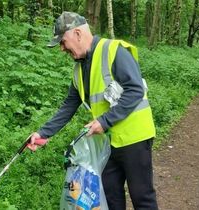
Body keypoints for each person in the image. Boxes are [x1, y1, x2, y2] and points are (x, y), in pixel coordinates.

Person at [29, 11, 158, 210]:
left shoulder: (114, 51)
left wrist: (104, 121)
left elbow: (135, 90)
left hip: (135, 138)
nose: (62, 49)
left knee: (142, 198)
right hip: (107, 144)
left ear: (78, 34)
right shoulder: (79, 69)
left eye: (63, 42)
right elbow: (69, 105)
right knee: (110, 197)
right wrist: (44, 133)